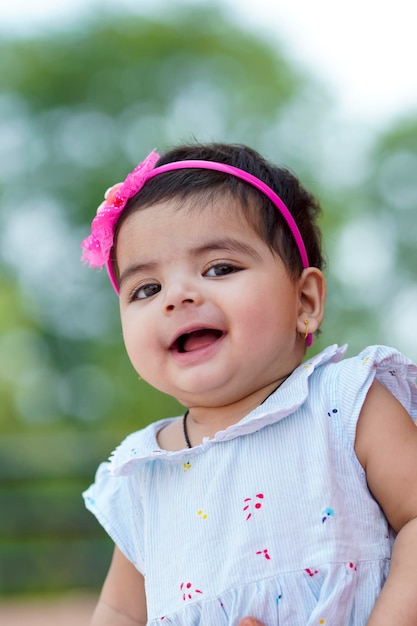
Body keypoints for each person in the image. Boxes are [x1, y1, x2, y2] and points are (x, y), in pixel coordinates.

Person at [81, 142, 417, 625]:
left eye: (219, 268)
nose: (177, 296)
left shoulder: (345, 403)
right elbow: (120, 612)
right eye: (146, 289)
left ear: (304, 301)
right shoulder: (142, 473)